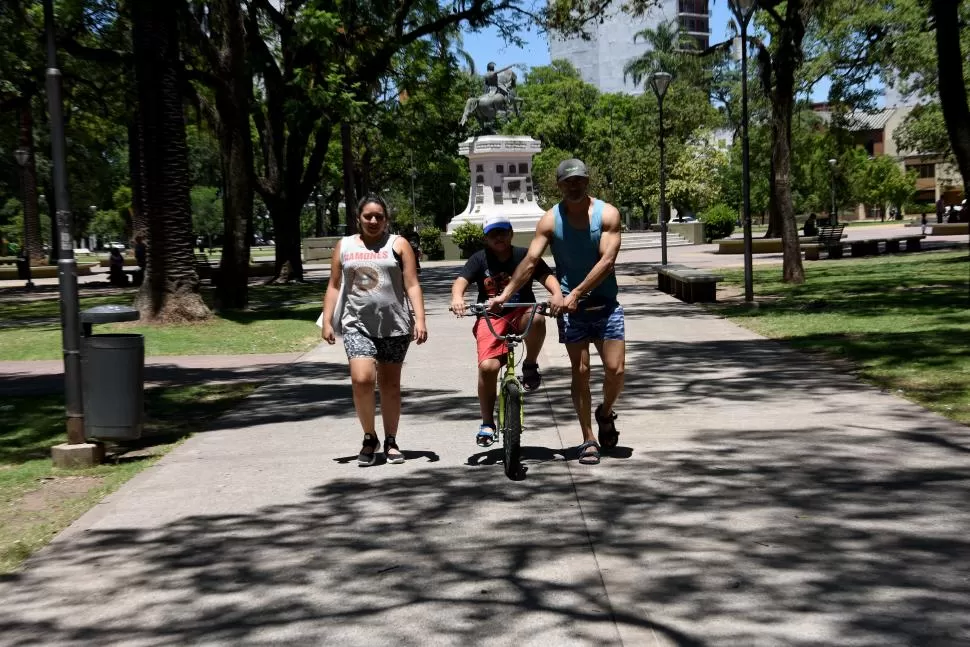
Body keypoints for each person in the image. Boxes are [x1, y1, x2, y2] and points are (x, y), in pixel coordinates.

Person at [490, 158, 624, 466]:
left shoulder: (607, 214)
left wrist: (576, 292)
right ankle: (588, 439)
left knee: (615, 371)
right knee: (581, 372)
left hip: (604, 305)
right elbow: (530, 262)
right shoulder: (550, 221)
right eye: (568, 181)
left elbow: (606, 262)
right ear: (559, 185)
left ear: (587, 181)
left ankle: (605, 413)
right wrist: (505, 294)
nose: (574, 185)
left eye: (579, 180)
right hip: (571, 311)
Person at [321, 195, 428, 467]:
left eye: (379, 216)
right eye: (368, 216)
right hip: (357, 324)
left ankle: (391, 440)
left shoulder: (398, 244)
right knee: (362, 380)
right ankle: (370, 437)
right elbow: (334, 285)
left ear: (386, 219)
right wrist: (327, 321)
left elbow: (412, 284)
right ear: (359, 217)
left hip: (394, 324)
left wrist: (420, 319)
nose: (373, 221)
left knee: (390, 386)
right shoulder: (344, 246)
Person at [450, 214, 561, 447]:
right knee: (488, 368)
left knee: (538, 317)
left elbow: (546, 276)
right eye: (493, 234)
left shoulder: (524, 256)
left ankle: (530, 364)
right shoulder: (480, 259)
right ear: (486, 238)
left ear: (511, 234)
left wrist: (557, 294)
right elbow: (461, 281)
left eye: (502, 232)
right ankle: (487, 423)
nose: (498, 237)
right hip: (491, 317)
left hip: (521, 312)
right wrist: (457, 297)